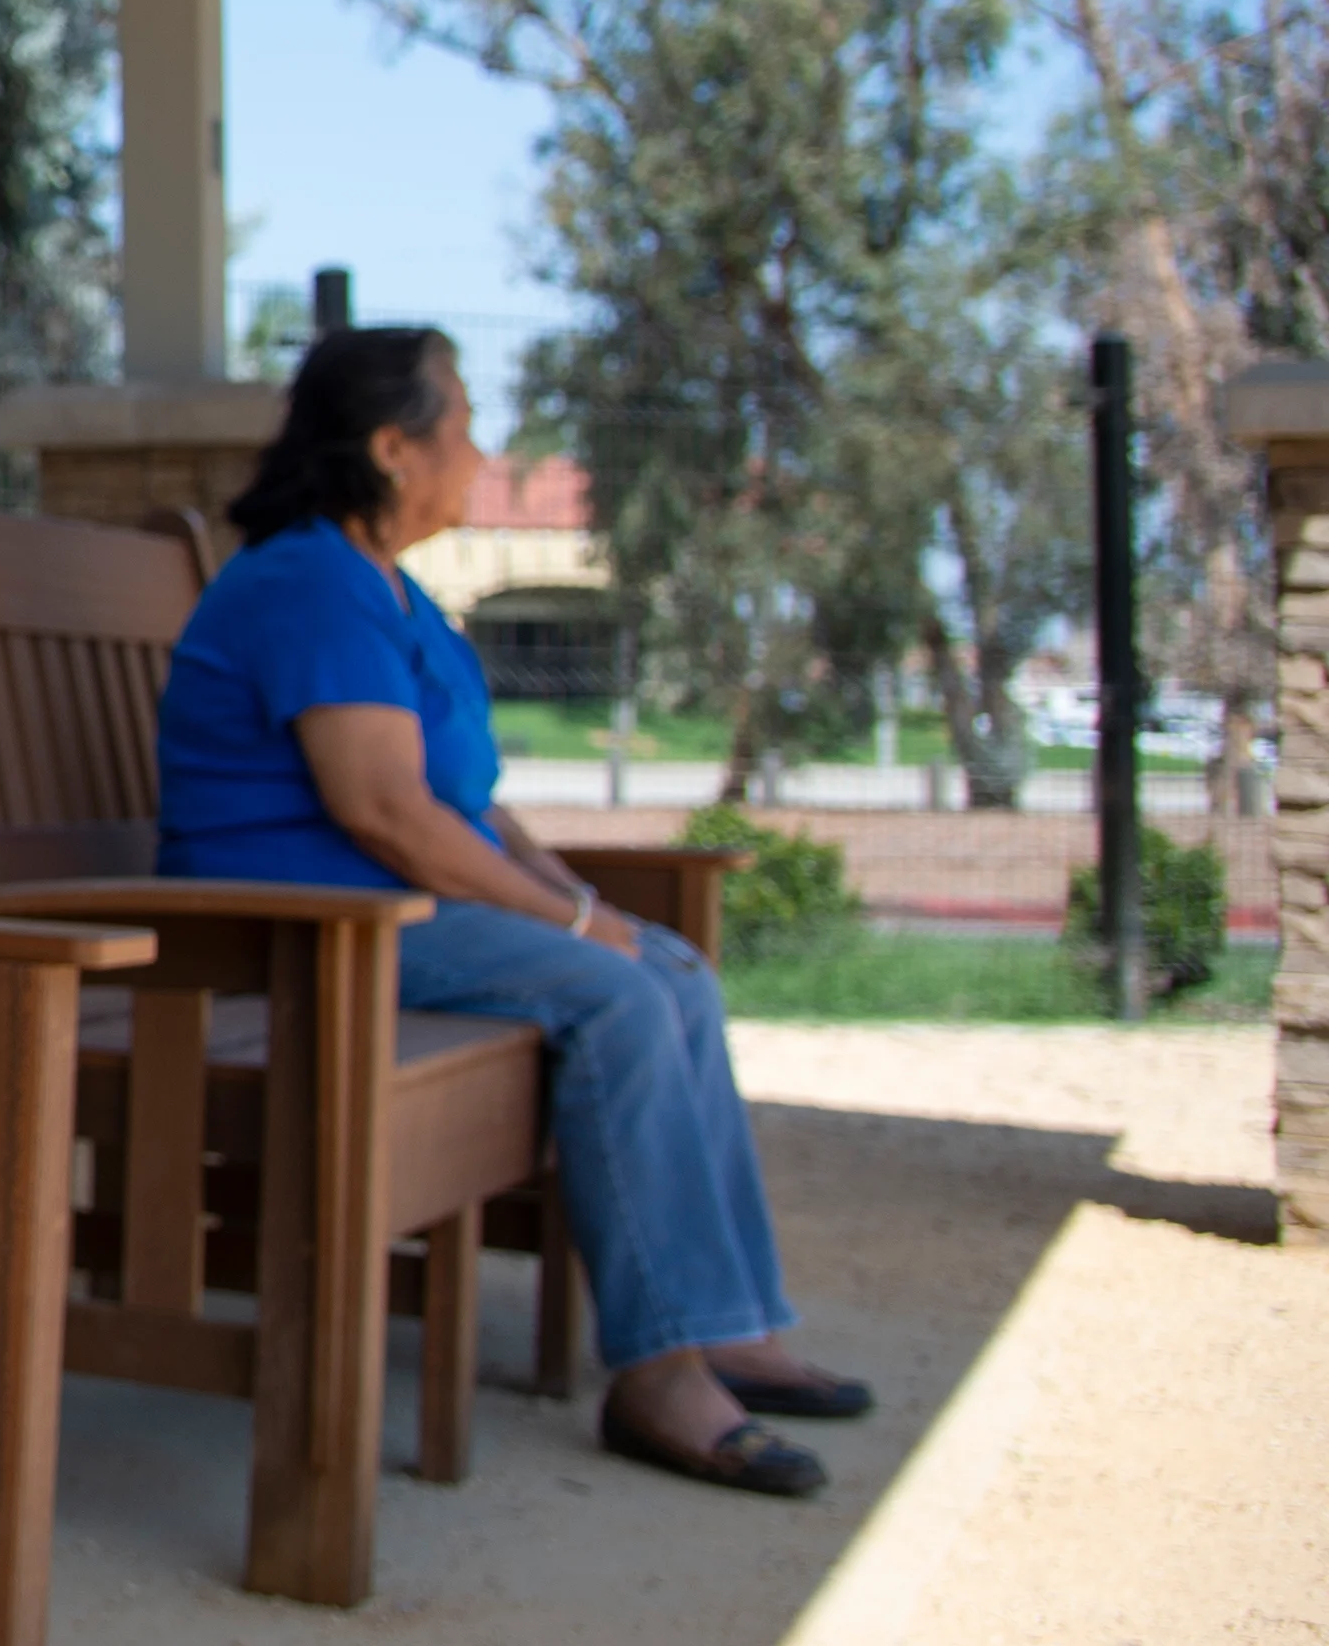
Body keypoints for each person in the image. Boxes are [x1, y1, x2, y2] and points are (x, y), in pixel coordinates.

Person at [154, 327, 872, 1499]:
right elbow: (385, 810)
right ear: (390, 446)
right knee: (618, 994)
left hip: (393, 913)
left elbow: (470, 807)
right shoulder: (305, 581)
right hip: (296, 927)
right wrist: (575, 930)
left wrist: (576, 902)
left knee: (671, 968)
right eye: (462, 424)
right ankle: (658, 1371)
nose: (481, 453)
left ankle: (724, 1323)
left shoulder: (392, 595)